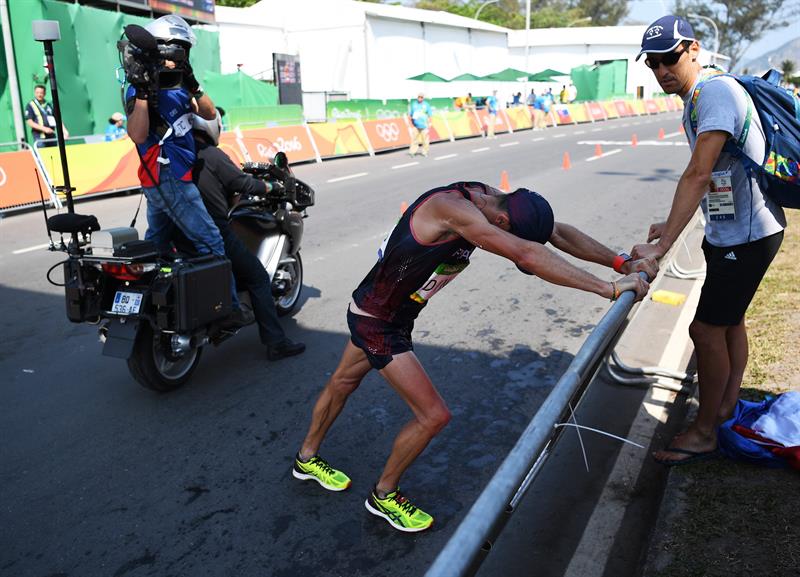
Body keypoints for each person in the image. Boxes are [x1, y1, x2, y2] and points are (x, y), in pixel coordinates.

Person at [292, 181, 657, 532]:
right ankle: (383, 495)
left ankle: (306, 460)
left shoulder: (494, 200)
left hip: (387, 312)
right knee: (433, 416)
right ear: (501, 222)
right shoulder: (453, 210)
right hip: (378, 323)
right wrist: (607, 289)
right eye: (512, 232)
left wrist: (620, 262)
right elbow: (527, 252)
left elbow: (555, 233)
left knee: (343, 382)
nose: (518, 240)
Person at [631, 15, 786, 465]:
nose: (662, 71)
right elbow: (718, 175)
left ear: (693, 49)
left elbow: (699, 174)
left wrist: (661, 247)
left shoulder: (715, 93)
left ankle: (704, 432)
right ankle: (724, 407)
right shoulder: (698, 95)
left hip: (748, 234)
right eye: (652, 63)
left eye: (669, 59)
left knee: (704, 328)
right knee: (729, 321)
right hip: (731, 231)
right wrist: (670, 224)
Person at [125, 14, 250, 327]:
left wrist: (191, 80)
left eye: (183, 51)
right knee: (213, 243)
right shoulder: (140, 88)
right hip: (169, 180)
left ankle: (150, 306)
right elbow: (138, 135)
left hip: (170, 180)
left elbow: (208, 113)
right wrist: (142, 91)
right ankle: (229, 310)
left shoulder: (180, 85)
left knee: (157, 245)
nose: (177, 57)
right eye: (174, 50)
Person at [191, 111, 306, 361]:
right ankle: (276, 343)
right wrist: (271, 186)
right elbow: (241, 183)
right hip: (215, 231)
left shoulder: (179, 154)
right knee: (257, 277)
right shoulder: (212, 155)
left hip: (180, 234)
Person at [408, 93, 432, 157]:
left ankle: (424, 152)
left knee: (425, 140)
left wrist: (430, 123)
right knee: (414, 139)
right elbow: (410, 115)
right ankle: (412, 152)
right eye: (419, 97)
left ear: (423, 98)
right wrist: (411, 122)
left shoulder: (426, 105)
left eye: (421, 97)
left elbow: (429, 114)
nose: (420, 98)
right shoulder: (414, 104)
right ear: (417, 97)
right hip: (416, 125)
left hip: (424, 125)